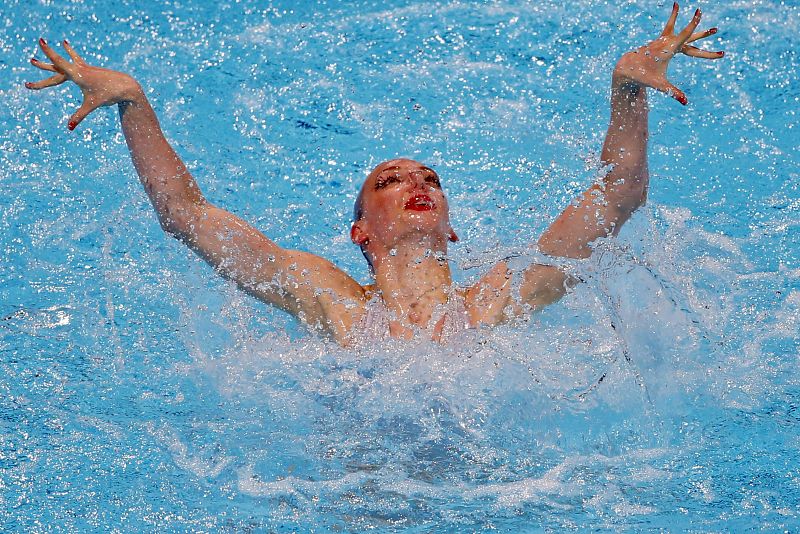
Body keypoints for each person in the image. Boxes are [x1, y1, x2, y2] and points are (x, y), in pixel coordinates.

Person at [26, 4, 723, 346]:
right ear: (361, 230)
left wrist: (627, 89)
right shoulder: (332, 303)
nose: (417, 184)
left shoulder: (502, 295)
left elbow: (619, 193)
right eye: (390, 182)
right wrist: (133, 103)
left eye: (429, 178)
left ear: (452, 229)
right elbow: (185, 215)